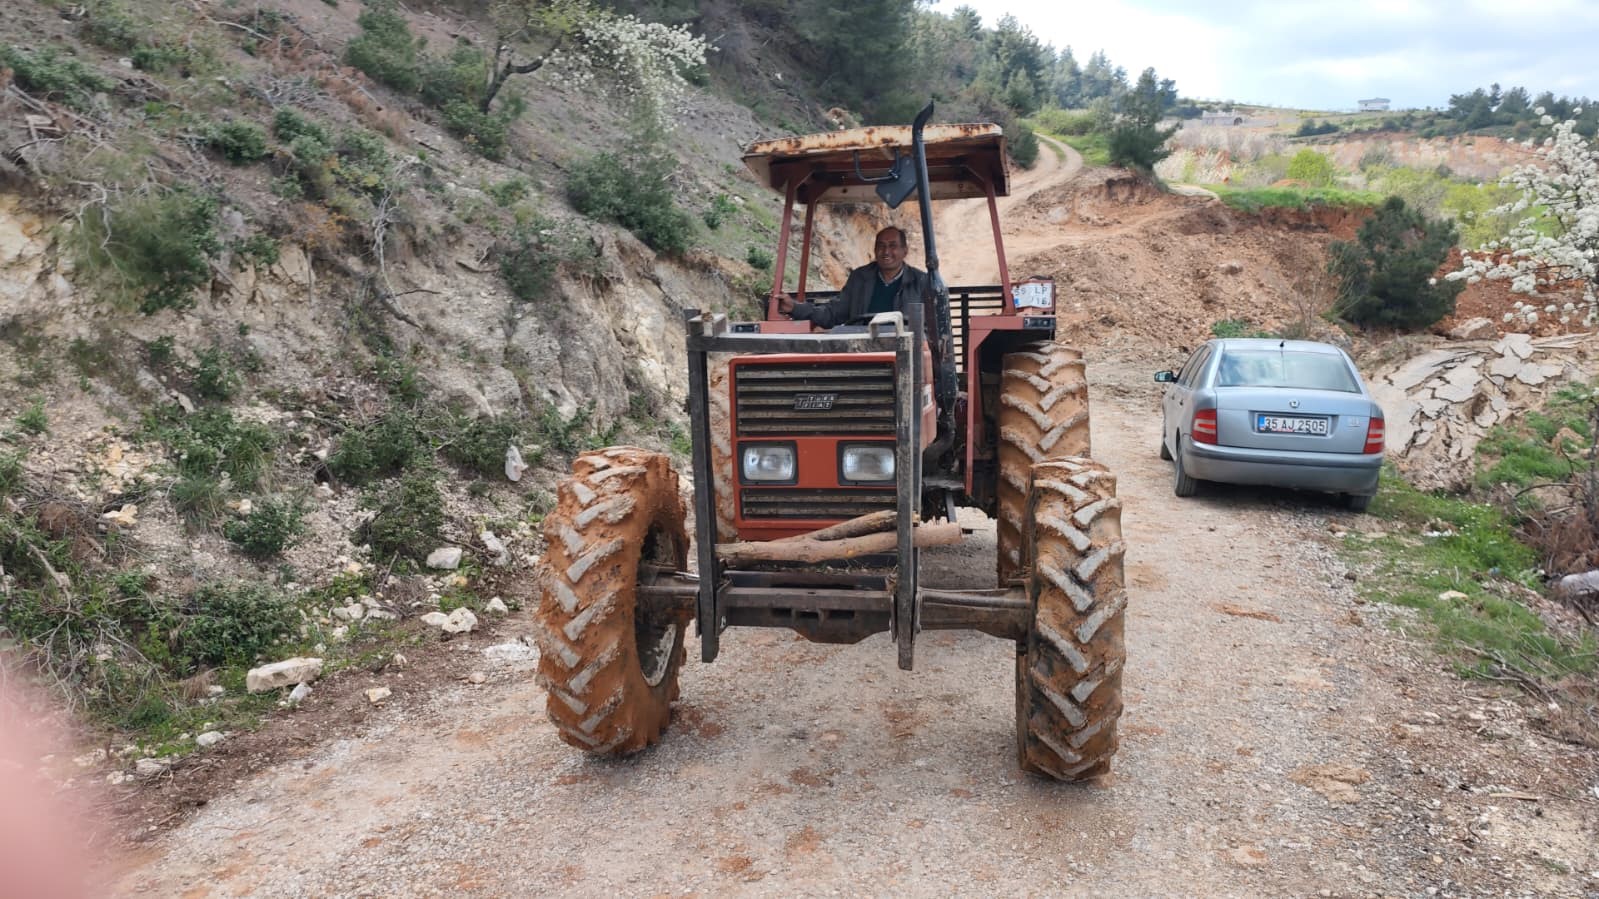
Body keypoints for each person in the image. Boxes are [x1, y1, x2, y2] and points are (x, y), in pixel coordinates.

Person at [777, 227, 930, 328]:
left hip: (906, 352)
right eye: (881, 246)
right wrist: (795, 307)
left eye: (892, 246)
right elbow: (833, 313)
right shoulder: (860, 278)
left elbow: (933, 328)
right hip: (864, 348)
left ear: (905, 251)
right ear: (875, 250)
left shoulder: (921, 282)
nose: (886, 252)